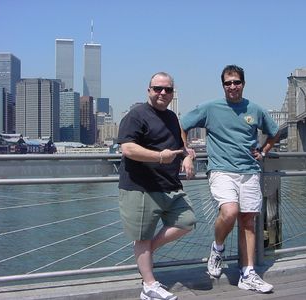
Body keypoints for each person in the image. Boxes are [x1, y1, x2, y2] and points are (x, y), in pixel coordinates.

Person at [180, 65, 279, 294]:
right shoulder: (210, 108)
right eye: (228, 83)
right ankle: (218, 248)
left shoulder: (255, 109)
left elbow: (274, 132)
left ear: (243, 83)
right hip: (221, 170)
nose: (232, 86)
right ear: (223, 85)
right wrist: (186, 153)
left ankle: (248, 274)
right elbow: (182, 125)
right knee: (230, 212)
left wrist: (263, 152)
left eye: (236, 82)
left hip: (250, 171)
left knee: (248, 222)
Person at [117, 72, 196, 300]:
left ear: (173, 93)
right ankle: (149, 286)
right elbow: (128, 149)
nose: (162, 93)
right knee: (141, 236)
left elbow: (181, 146)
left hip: (169, 185)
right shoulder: (136, 115)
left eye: (168, 89)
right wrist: (160, 157)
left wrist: (187, 157)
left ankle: (147, 251)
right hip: (140, 187)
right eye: (157, 88)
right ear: (148, 90)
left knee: (187, 221)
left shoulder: (171, 117)